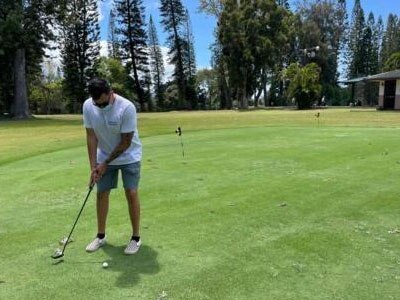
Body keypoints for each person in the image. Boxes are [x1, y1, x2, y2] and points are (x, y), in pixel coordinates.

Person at [82, 78, 142, 255]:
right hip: (103, 156)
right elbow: (91, 137)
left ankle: (136, 238)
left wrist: (105, 164)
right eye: (97, 104)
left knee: (131, 193)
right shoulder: (88, 106)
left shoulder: (127, 108)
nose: (100, 107)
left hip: (129, 155)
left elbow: (125, 142)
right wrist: (94, 167)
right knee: (101, 194)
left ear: (111, 93)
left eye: (103, 103)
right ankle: (100, 236)